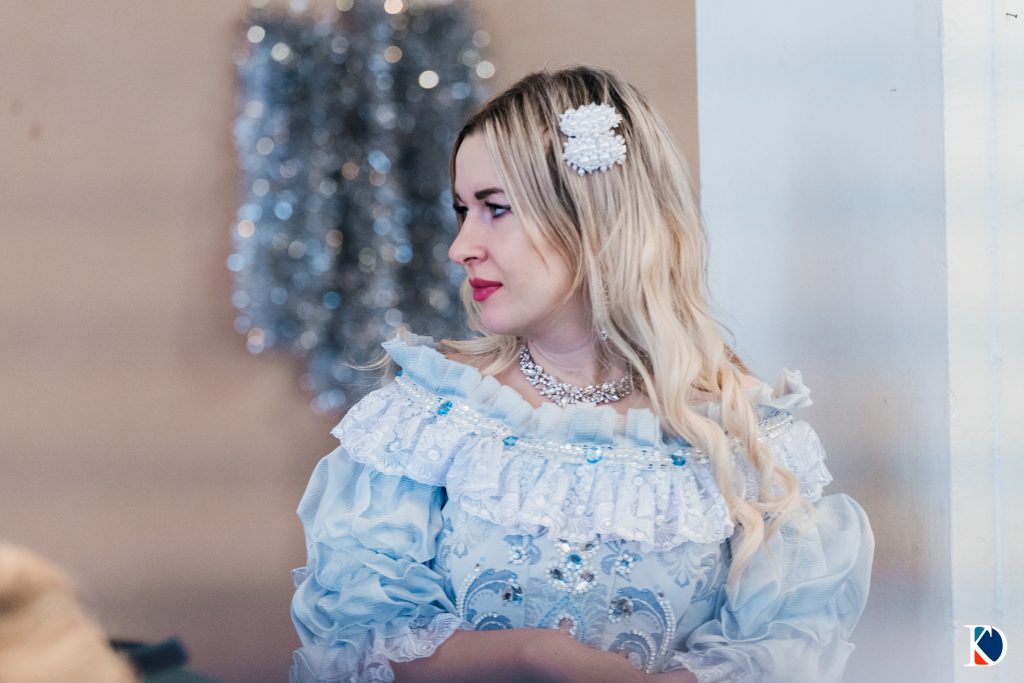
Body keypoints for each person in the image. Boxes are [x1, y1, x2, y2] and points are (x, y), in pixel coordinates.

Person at [289, 65, 874, 682]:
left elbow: (785, 651)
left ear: (596, 216)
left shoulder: (743, 430)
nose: (461, 247)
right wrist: (537, 655)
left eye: (495, 208)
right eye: (463, 210)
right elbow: (362, 641)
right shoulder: (428, 420)